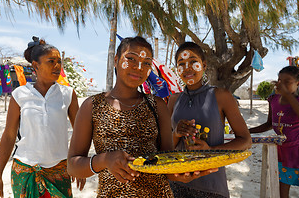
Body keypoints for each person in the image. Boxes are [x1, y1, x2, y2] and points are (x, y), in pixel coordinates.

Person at [67, 36, 217, 197]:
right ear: (116, 60)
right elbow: (73, 166)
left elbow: (165, 161)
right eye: (131, 59)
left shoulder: (157, 105)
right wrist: (104, 160)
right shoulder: (92, 105)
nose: (139, 67)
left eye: (146, 63)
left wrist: (183, 174)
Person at [0, 37, 85, 198]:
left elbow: (79, 132)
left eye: (59, 61)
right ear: (36, 65)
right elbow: (9, 135)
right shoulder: (20, 94)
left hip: (59, 172)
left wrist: (80, 163)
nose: (57, 66)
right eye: (51, 61)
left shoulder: (68, 94)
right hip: (25, 171)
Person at [167, 42, 252, 198]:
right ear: (176, 69)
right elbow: (165, 147)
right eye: (181, 64)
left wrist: (211, 151)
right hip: (177, 183)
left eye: (193, 61)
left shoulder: (221, 96)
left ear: (204, 65)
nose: (187, 67)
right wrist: (176, 133)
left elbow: (245, 141)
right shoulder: (173, 100)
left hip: (211, 186)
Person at [249, 66, 299, 198]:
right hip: (282, 153)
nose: (281, 84)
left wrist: (288, 95)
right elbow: (269, 124)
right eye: (279, 80)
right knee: (281, 189)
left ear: (298, 83)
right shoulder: (273, 100)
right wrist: (246, 131)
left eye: (287, 82)